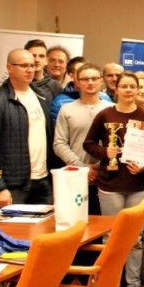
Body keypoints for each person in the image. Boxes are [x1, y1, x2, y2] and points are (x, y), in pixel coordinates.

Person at [83, 71, 144, 287]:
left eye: (132, 87)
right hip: (110, 185)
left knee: (135, 239)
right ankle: (111, 285)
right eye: (124, 86)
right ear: (116, 89)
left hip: (137, 185)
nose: (128, 90)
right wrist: (105, 152)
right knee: (111, 238)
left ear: (137, 90)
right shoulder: (105, 115)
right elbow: (88, 143)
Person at [0, 49, 53, 206]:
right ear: (9, 68)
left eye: (32, 65)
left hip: (42, 181)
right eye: (24, 65)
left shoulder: (42, 96)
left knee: (47, 223)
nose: (30, 70)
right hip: (13, 186)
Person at [53, 63, 114, 215]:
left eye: (94, 78)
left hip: (107, 176)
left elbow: (119, 143)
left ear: (101, 80)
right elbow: (59, 143)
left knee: (105, 224)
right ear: (77, 82)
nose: (90, 82)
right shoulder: (67, 109)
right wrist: (82, 167)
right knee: (78, 222)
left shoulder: (113, 109)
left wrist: (100, 166)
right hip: (76, 177)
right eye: (85, 79)